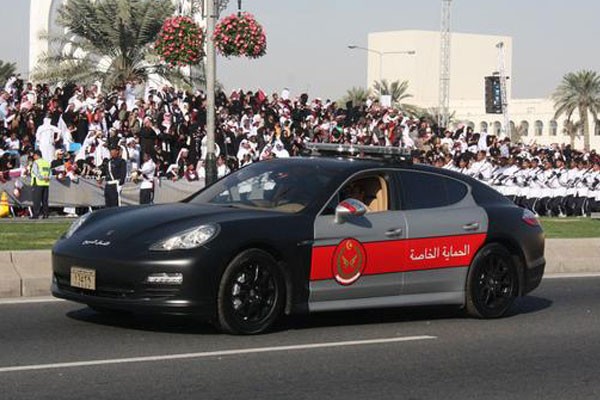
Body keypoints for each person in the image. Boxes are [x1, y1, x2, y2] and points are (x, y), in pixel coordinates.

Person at [30, 150, 51, 219]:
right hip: (46, 183)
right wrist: (47, 178)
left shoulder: (36, 162)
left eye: (34, 155)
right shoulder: (46, 162)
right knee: (45, 200)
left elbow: (36, 172)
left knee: (37, 200)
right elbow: (50, 172)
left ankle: (36, 214)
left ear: (37, 155)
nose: (33, 157)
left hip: (38, 183)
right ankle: (46, 214)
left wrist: (42, 178)